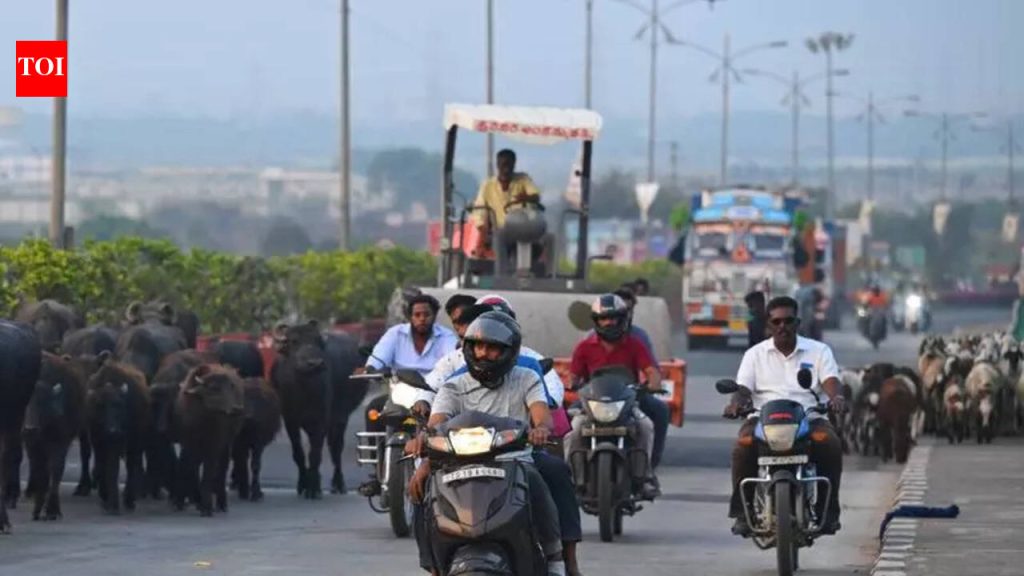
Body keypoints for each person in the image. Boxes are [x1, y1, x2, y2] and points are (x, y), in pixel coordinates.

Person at [409, 295, 582, 575]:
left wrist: (540, 429)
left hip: (516, 459)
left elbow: (541, 414)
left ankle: (559, 559)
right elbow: (437, 423)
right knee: (420, 488)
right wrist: (423, 439)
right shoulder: (453, 386)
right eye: (477, 346)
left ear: (509, 351)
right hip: (458, 462)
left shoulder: (526, 377)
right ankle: (434, 567)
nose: (482, 354)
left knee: (552, 474)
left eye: (492, 348)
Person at [723, 295, 846, 537]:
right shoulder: (754, 355)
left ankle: (828, 510)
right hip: (763, 419)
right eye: (776, 322)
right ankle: (742, 512)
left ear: (797, 323)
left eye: (788, 321)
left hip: (809, 418)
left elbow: (831, 381)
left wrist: (837, 398)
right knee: (742, 447)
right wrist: (736, 404)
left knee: (830, 444)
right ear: (768, 325)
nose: (782, 327)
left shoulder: (818, 351)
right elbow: (743, 388)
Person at [565, 294, 660, 498]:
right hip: (591, 405)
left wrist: (653, 384)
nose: (608, 323)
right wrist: (571, 383)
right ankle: (572, 478)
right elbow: (573, 375)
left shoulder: (635, 344)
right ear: (596, 321)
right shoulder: (584, 347)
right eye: (603, 319)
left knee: (646, 426)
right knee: (573, 431)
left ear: (622, 319)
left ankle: (645, 477)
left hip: (626, 403)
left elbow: (651, 370)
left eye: (613, 318)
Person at [361, 294, 458, 432]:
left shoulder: (446, 336)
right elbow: (379, 357)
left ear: (435, 315)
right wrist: (372, 368)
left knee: (451, 420)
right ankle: (374, 453)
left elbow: (453, 360)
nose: (422, 319)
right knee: (373, 410)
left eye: (426, 314)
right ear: (409, 317)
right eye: (417, 315)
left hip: (433, 394)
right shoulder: (395, 334)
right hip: (400, 393)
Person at [471, 149, 545, 271]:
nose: (506, 169)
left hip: (523, 229)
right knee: (500, 236)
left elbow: (536, 196)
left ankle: (537, 273)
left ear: (514, 165)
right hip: (499, 230)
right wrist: (482, 235)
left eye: (509, 165)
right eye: (503, 165)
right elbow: (479, 213)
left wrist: (526, 197)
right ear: (497, 165)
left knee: (547, 238)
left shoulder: (522, 180)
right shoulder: (487, 186)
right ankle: (503, 274)